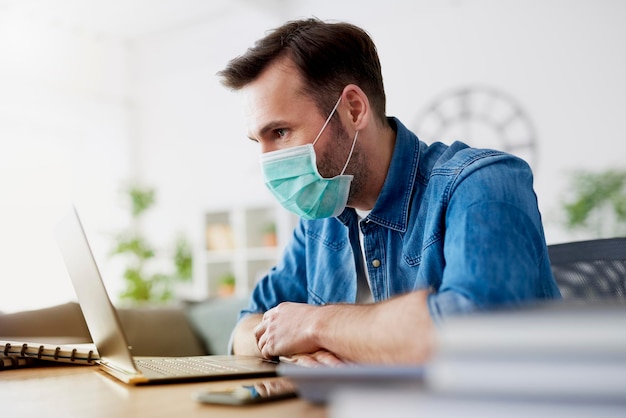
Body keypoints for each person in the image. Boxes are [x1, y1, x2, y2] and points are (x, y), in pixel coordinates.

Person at [217, 17, 561, 366]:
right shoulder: (320, 218)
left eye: (279, 132)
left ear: (353, 109)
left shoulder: (480, 182)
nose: (266, 163)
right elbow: (245, 326)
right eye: (256, 141)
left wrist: (316, 325)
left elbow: (474, 333)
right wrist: (294, 345)